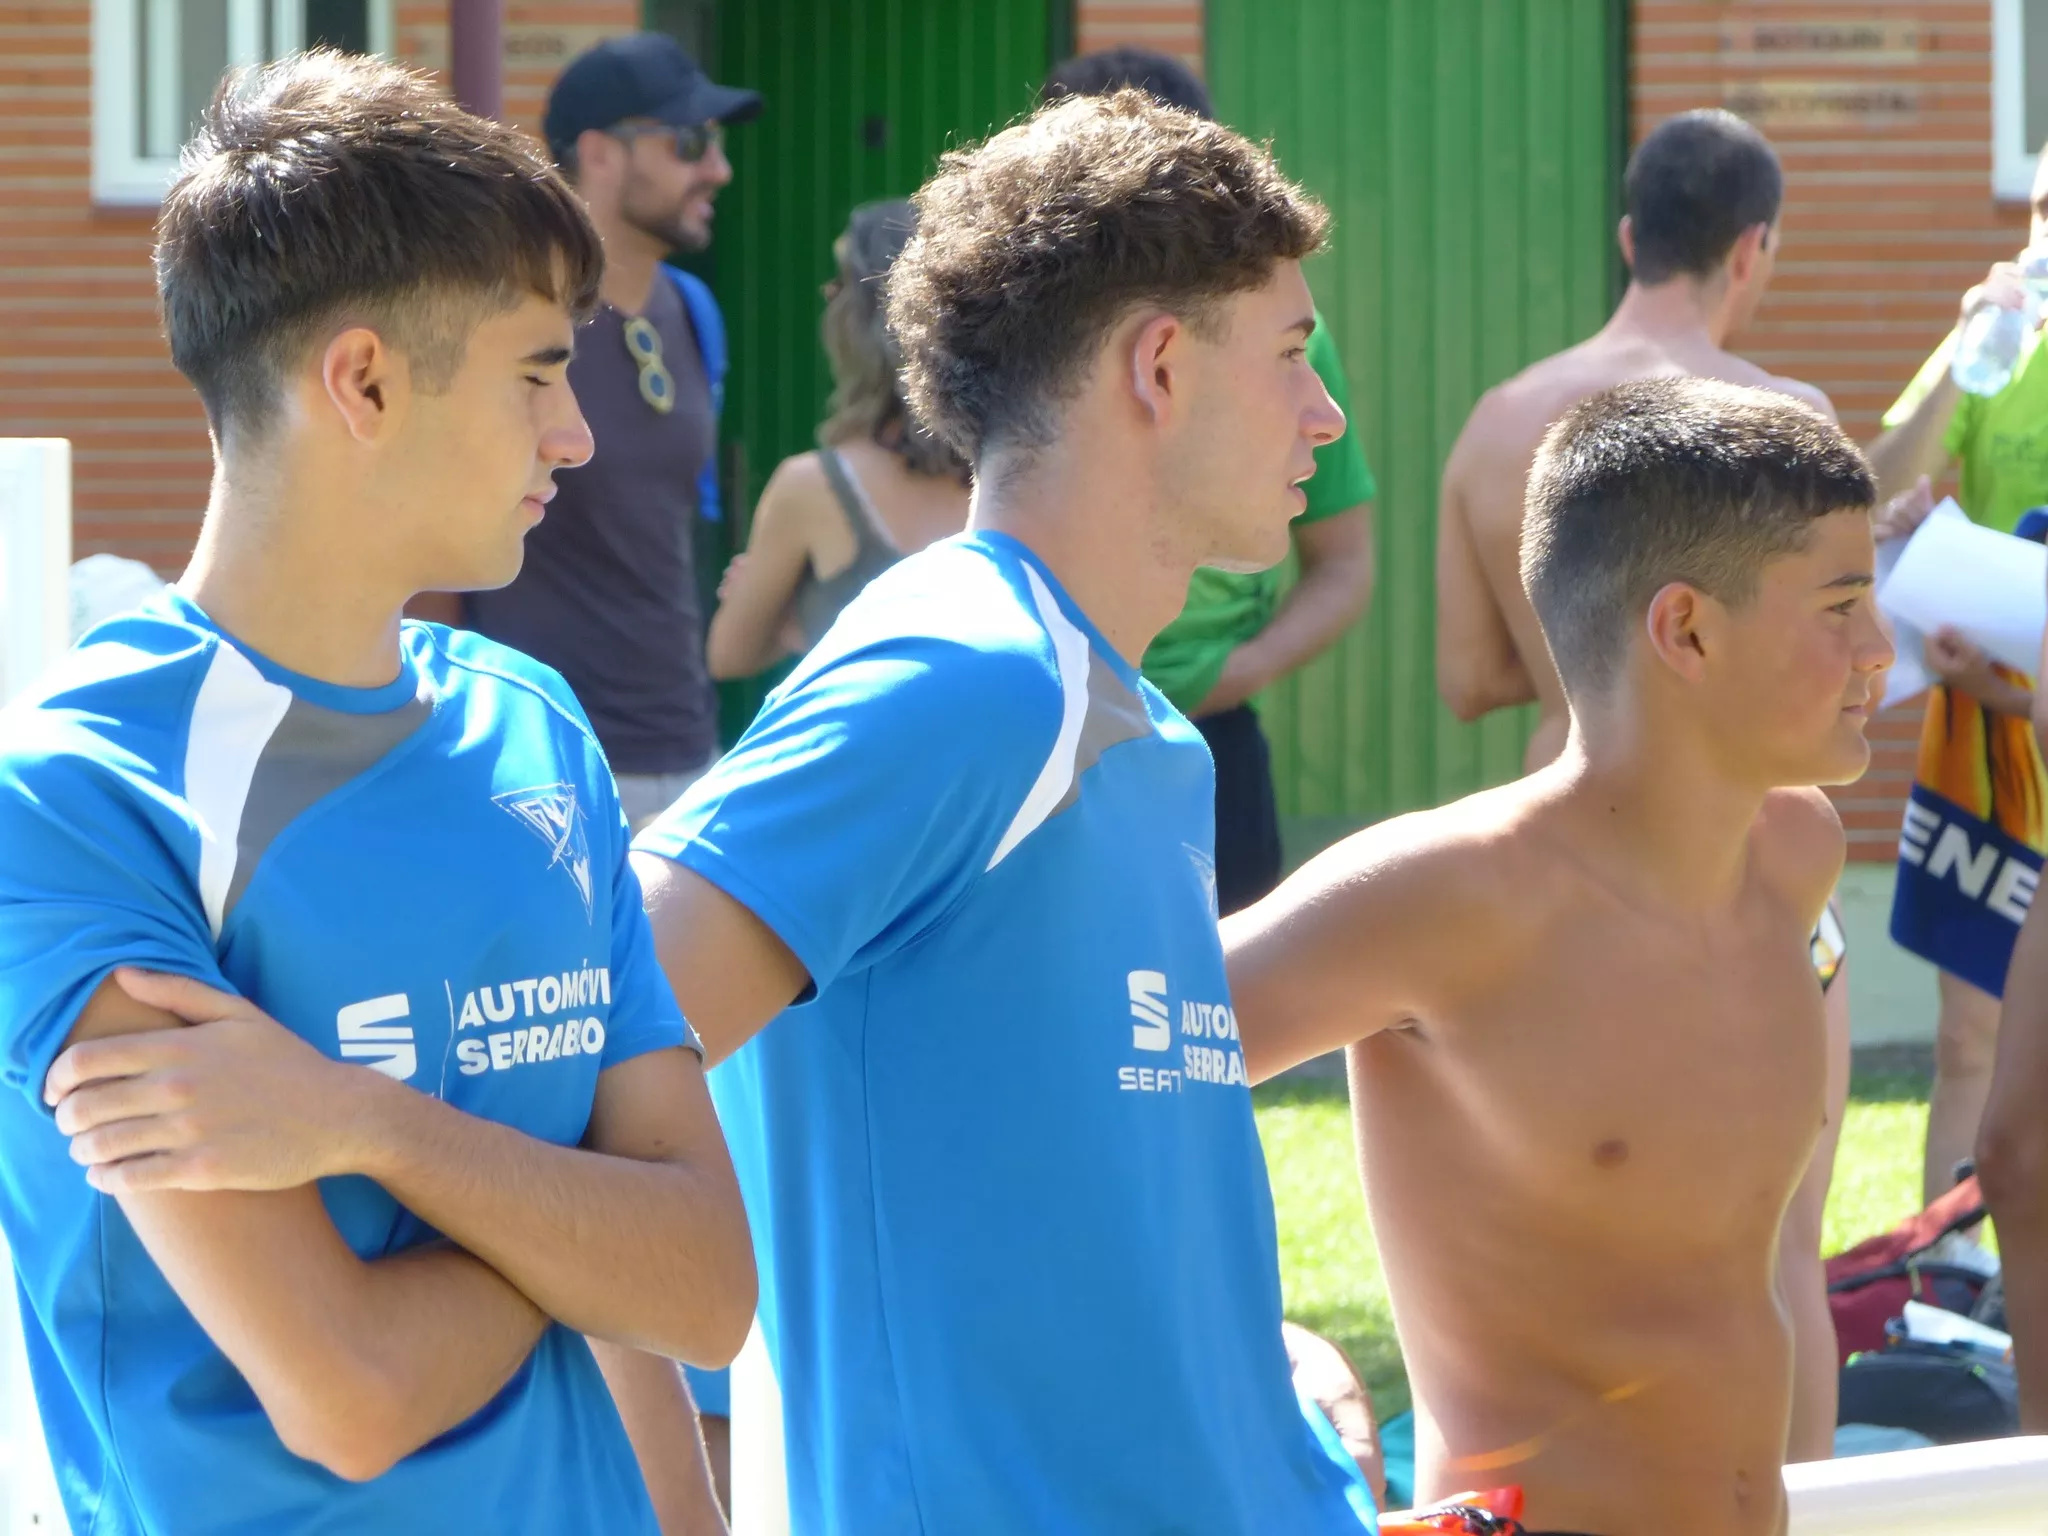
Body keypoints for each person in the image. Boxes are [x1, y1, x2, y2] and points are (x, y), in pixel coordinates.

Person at [0, 53, 751, 1535]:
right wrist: (577, 1230)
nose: (576, 435)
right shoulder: (79, 797)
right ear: (364, 381)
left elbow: (707, 1292)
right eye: (538, 372)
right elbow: (349, 1392)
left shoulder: (532, 725)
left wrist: (364, 1125)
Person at [631, 91, 1378, 1532]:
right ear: (1159, 365)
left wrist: (1242, 1371)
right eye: (1292, 355)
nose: (1324, 412)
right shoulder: (973, 674)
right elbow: (587, 1057)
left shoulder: (1137, 730)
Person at [1231, 376, 1890, 1532]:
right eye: (1839, 607)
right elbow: (1093, 1074)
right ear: (1685, 629)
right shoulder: (1445, 900)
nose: (1878, 652)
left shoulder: (1796, 855)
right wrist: (1267, 1351)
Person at [1432, 108, 1887, 1463]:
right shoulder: (1778, 422)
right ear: (1753, 249)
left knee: (1561, 1253)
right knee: (1780, 1245)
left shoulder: (1499, 425)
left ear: (1630, 235)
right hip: (1732, 857)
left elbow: (1467, 677)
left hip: (1549, 858)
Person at [1041, 48, 1377, 915]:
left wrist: (1237, 672)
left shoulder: (1281, 336)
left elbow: (1345, 562)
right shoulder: (963, 678)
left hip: (1211, 734)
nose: (1322, 417)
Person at [460, 33, 760, 831]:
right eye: (690, 143)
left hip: (689, 752)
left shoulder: (694, 311)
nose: (718, 170)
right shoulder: (507, 320)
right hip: (541, 766)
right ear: (597, 152)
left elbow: (674, 537)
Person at [1865, 146, 2048, 1208]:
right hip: (1989, 734)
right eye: (2040, 208)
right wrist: (1963, 350)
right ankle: (1950, 1266)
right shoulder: (2002, 343)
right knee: (1969, 1028)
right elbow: (1870, 487)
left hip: (2016, 697)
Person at [705, 199, 971, 679]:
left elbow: (728, 657)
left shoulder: (812, 487)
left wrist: (805, 619)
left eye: (837, 288)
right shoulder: (1021, 468)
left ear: (860, 322)